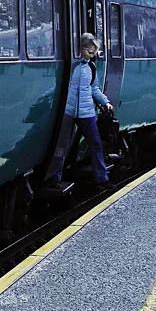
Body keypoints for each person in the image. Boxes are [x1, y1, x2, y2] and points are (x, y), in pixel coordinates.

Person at [55, 32, 112, 192]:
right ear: (80, 48)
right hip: (69, 112)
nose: (91, 54)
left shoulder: (90, 68)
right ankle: (56, 177)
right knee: (62, 147)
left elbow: (95, 89)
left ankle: (102, 178)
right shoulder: (72, 67)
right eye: (89, 51)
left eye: (93, 52)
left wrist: (105, 102)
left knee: (95, 144)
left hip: (87, 114)